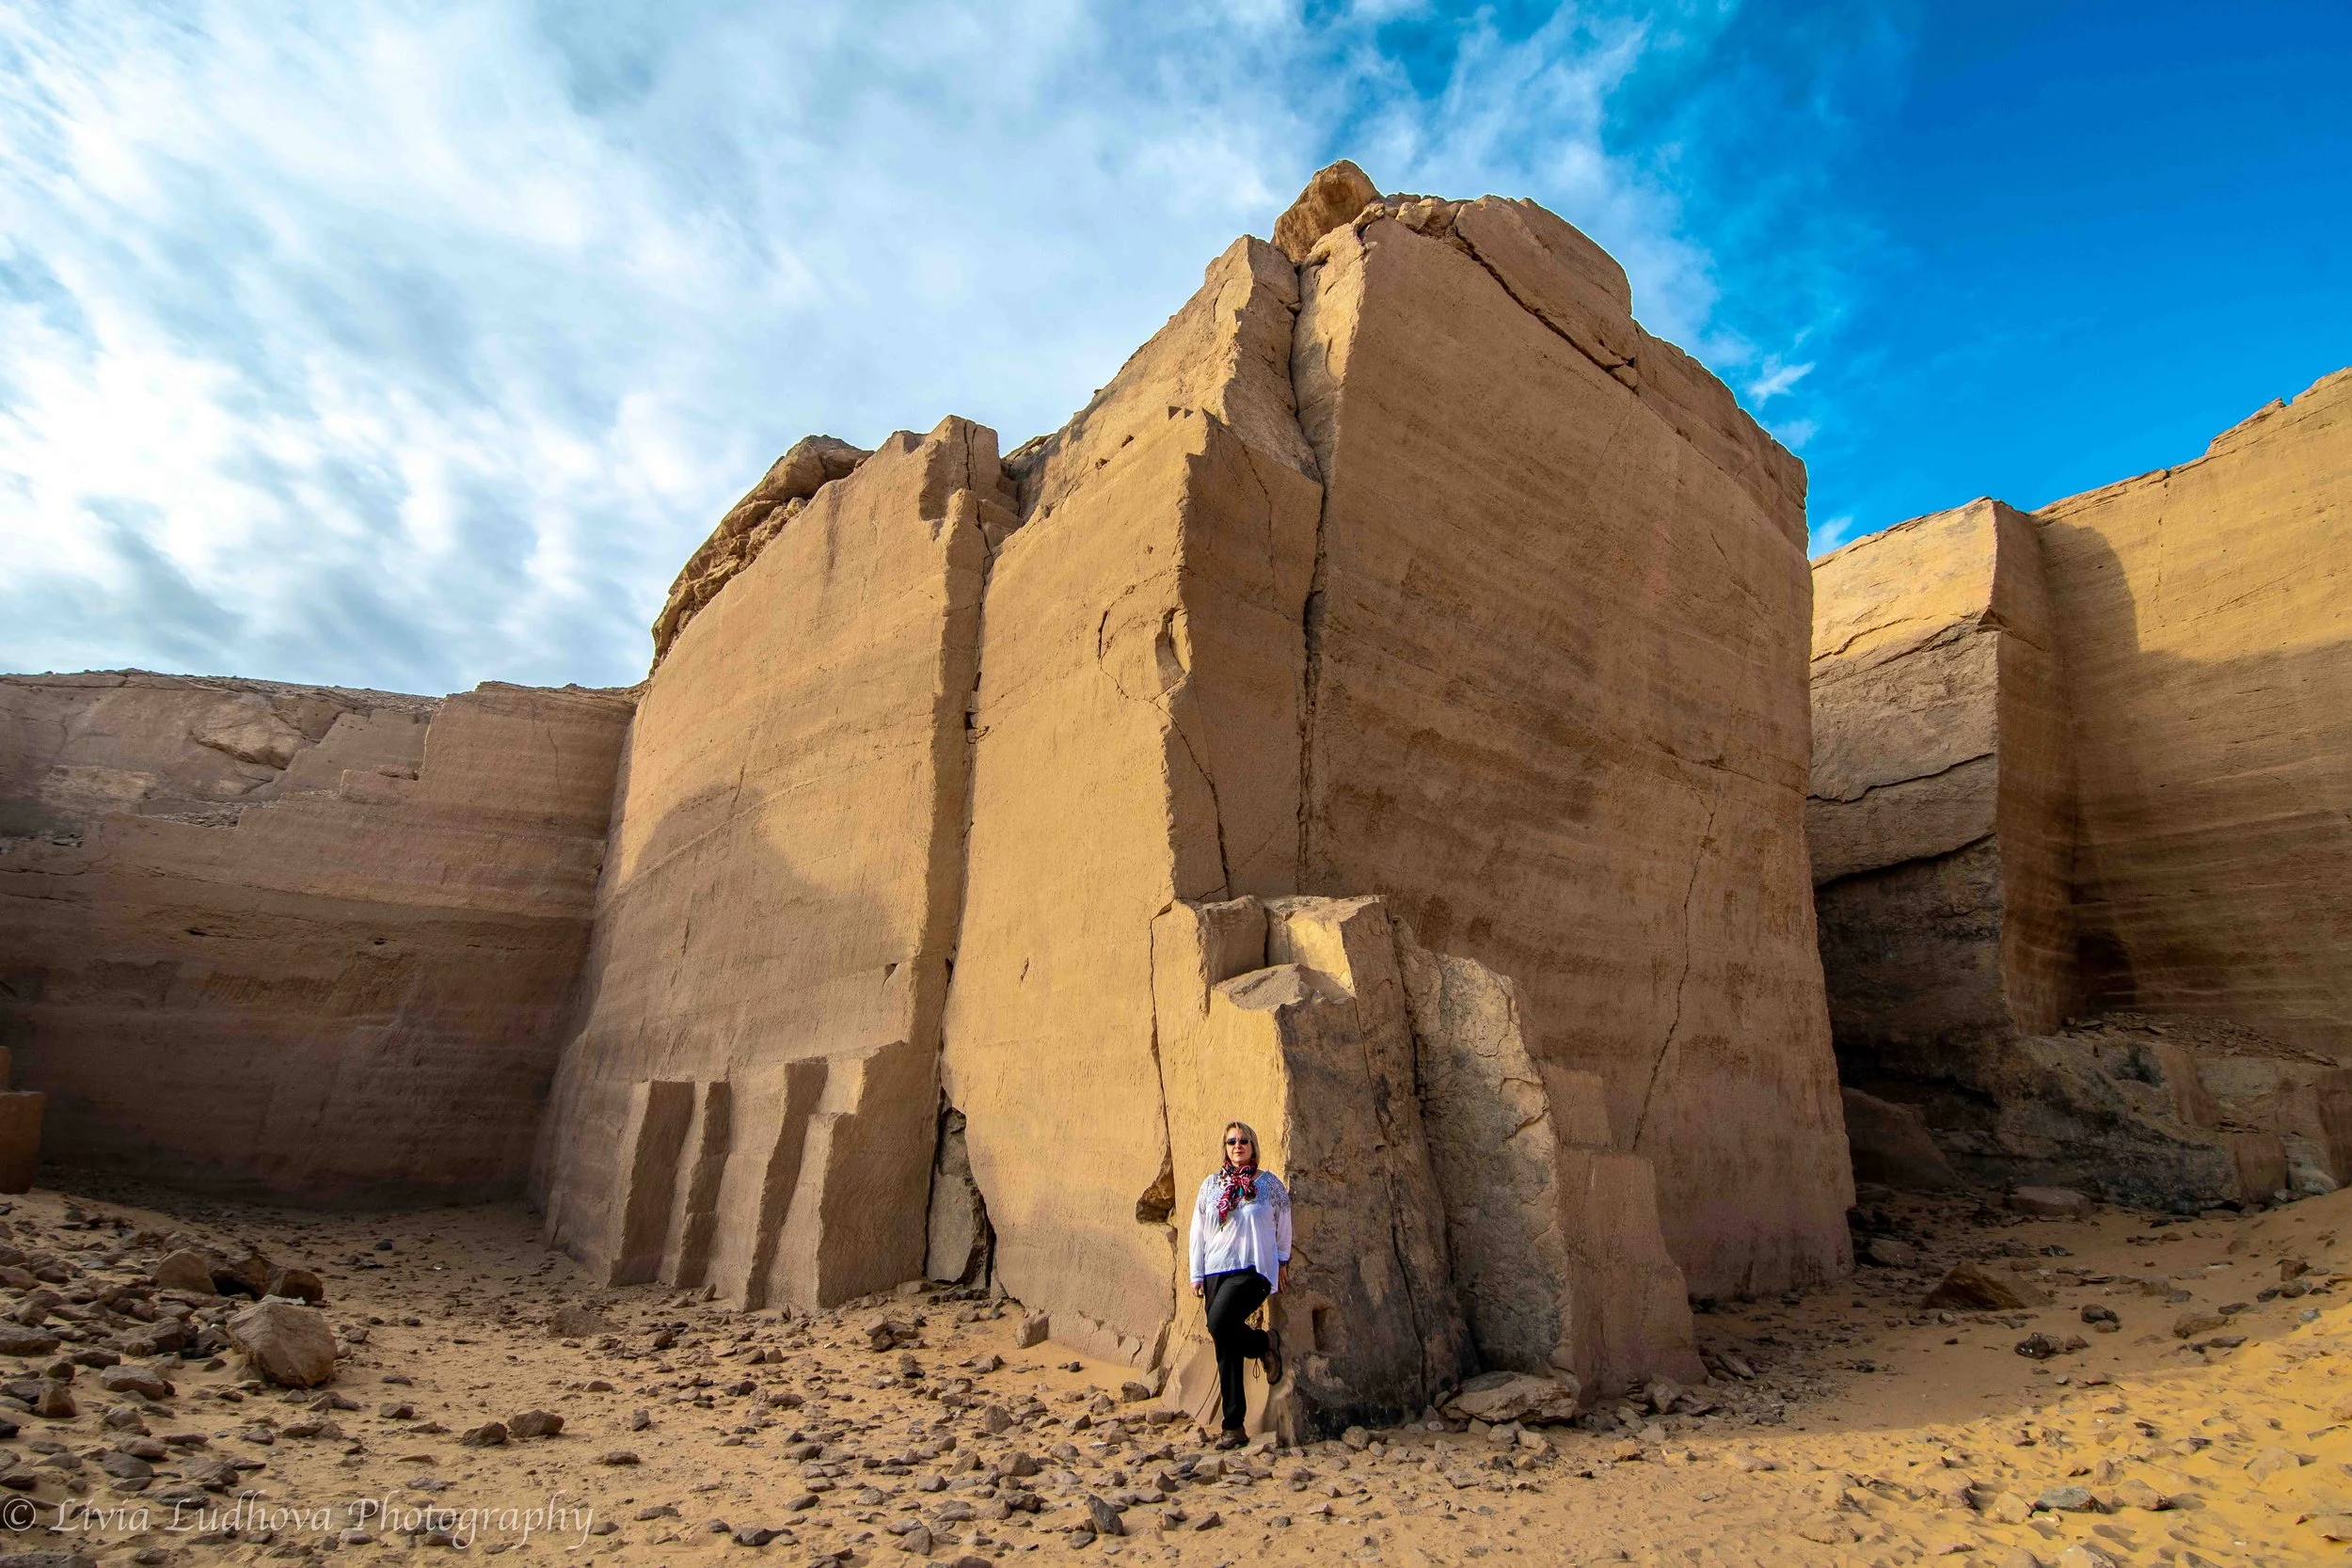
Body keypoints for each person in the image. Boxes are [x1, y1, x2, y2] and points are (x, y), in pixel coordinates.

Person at [1188, 1119, 1291, 1449]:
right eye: (1231, 1141)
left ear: (1253, 1146)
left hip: (1254, 1270)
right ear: (1225, 1147)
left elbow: (1283, 1223)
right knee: (1224, 1344)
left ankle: (1261, 1344)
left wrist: (1283, 1261)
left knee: (1218, 1323)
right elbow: (1198, 1230)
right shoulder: (1211, 1186)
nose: (1237, 1146)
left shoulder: (1269, 1185)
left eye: (1244, 1140)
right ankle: (1233, 1427)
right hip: (1217, 1269)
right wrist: (1196, 1273)